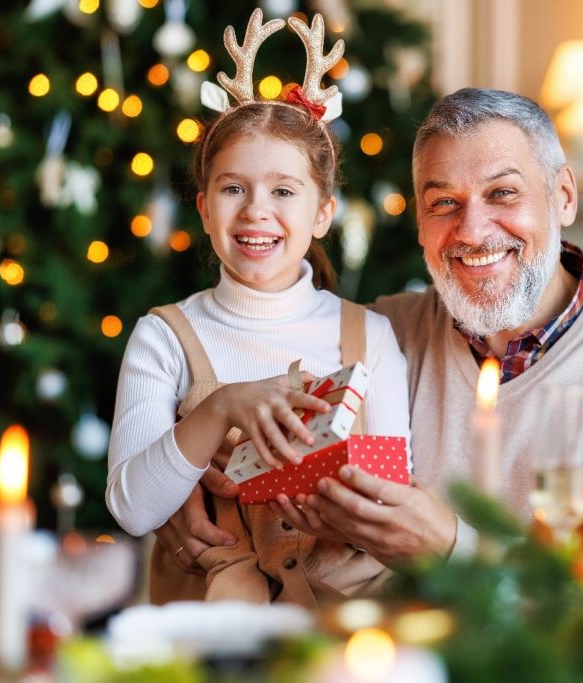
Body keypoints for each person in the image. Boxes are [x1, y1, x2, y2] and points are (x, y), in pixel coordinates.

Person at [159, 87, 583, 574]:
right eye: (443, 202)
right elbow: (229, 383)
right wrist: (177, 485)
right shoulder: (377, 334)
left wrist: (450, 549)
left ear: (564, 197)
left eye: (503, 193)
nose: (472, 231)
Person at [105, 12, 411, 606]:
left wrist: (329, 506)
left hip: (345, 629)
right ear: (203, 208)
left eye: (284, 191)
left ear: (323, 213)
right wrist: (221, 409)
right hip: (205, 633)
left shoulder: (367, 335)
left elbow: (389, 492)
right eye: (232, 188)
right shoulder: (165, 337)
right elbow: (133, 508)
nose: (255, 212)